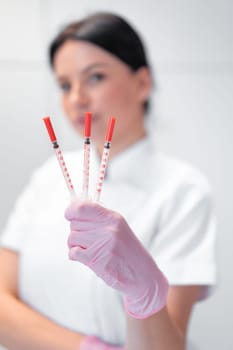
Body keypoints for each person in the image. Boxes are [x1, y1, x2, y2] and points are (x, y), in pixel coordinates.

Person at [0, 12, 216, 350]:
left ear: (142, 83)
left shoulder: (184, 190)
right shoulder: (47, 176)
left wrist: (144, 293)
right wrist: (86, 348)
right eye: (64, 85)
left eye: (95, 77)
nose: (76, 99)